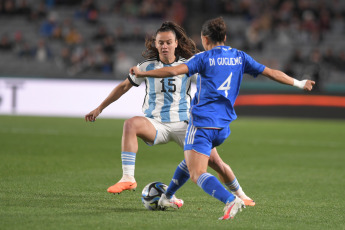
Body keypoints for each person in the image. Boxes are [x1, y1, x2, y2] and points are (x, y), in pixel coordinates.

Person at [130, 17, 315, 220]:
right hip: (223, 126)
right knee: (191, 157)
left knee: (197, 173)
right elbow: (270, 72)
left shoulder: (204, 58)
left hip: (202, 123)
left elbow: (174, 70)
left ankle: (230, 200)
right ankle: (168, 196)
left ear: (204, 38)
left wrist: (142, 72)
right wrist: (299, 83)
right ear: (225, 37)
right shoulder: (239, 56)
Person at [85, 21, 255, 207]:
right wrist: (100, 108)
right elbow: (124, 86)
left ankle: (242, 195)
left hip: (186, 124)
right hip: (156, 124)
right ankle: (128, 178)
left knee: (216, 163)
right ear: (155, 44)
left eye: (168, 42)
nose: (164, 46)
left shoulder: (189, 63)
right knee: (130, 124)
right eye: (161, 42)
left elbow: (213, 75)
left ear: (176, 43)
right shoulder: (146, 66)